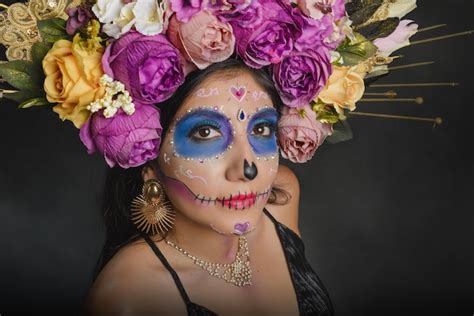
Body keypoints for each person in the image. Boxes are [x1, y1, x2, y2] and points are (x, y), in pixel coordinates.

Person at [84, 59, 334, 315]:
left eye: (261, 128)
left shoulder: (280, 198)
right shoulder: (129, 297)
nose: (248, 169)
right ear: (149, 165)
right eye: (205, 133)